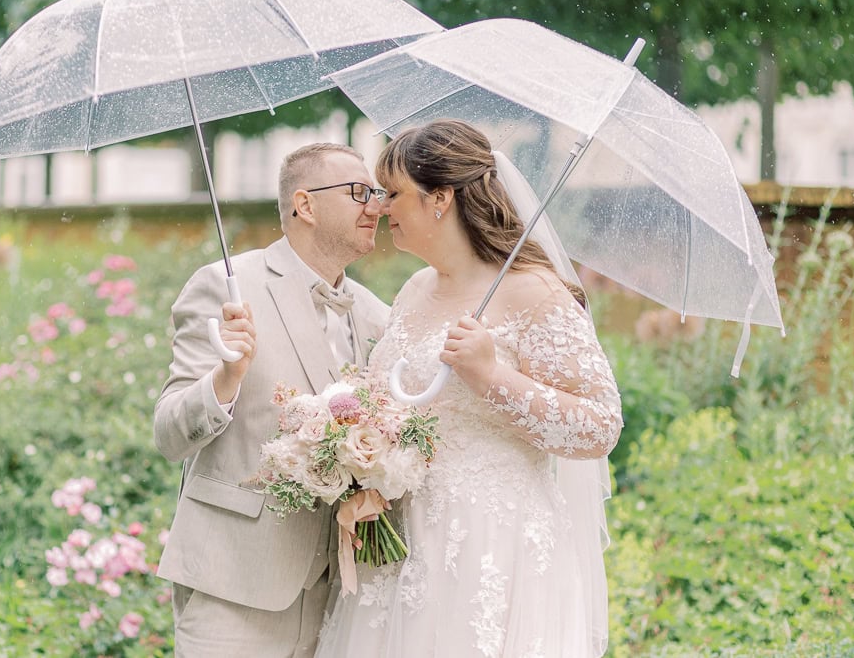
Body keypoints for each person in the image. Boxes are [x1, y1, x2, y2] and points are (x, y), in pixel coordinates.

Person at [317, 119, 622, 657]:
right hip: (401, 542)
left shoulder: (534, 290)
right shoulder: (414, 289)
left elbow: (599, 427)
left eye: (393, 193)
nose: (381, 207)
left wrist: (492, 377)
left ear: (440, 198)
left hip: (492, 544)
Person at [154, 142, 391, 657]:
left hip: (339, 596)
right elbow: (169, 435)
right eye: (359, 192)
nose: (376, 205)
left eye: (377, 193)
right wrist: (226, 377)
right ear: (305, 205)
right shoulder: (226, 287)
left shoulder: (377, 315)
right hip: (233, 586)